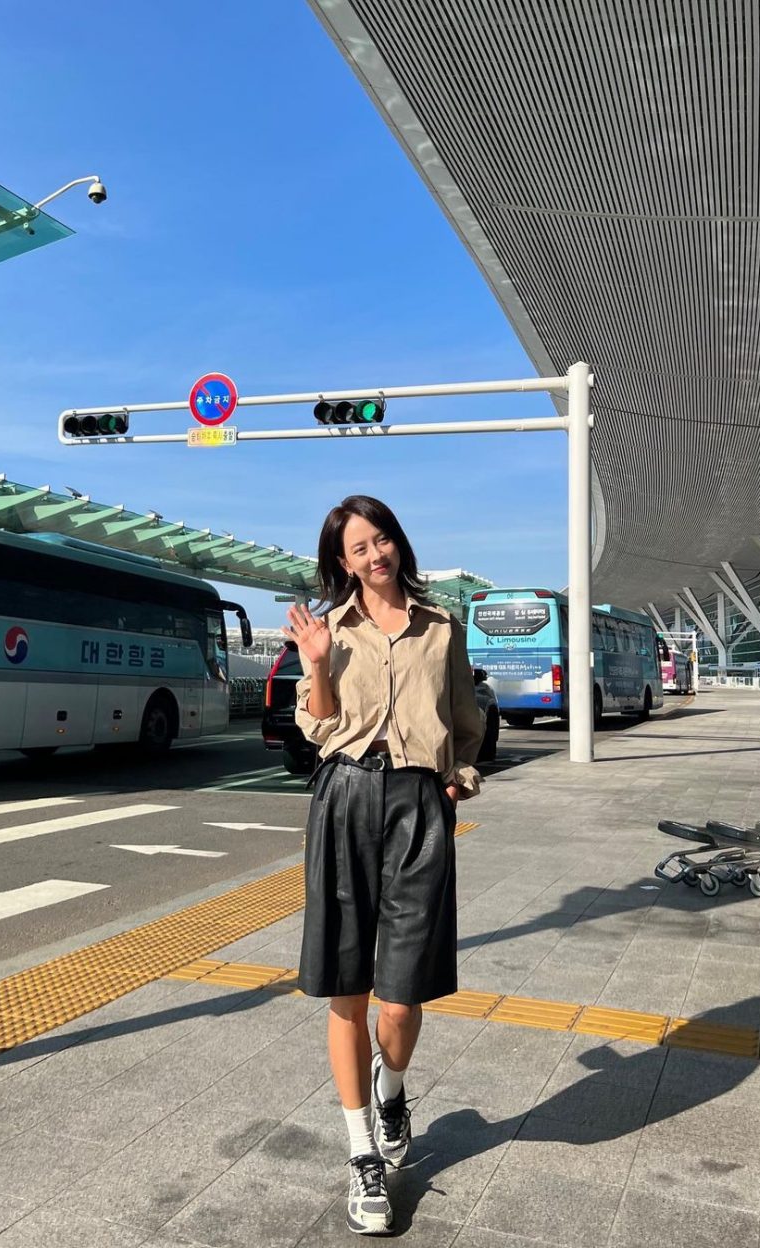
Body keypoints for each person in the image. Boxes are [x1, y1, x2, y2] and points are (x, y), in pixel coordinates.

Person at [281, 494, 483, 1236]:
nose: (375, 555)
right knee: (348, 988)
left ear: (398, 542)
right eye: (359, 548)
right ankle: (362, 1151)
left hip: (418, 805)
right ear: (343, 562)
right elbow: (318, 725)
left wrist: (457, 780)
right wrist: (316, 665)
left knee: (402, 996)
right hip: (344, 796)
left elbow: (466, 720)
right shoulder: (330, 628)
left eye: (382, 539)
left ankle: (390, 1085)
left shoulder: (441, 627)